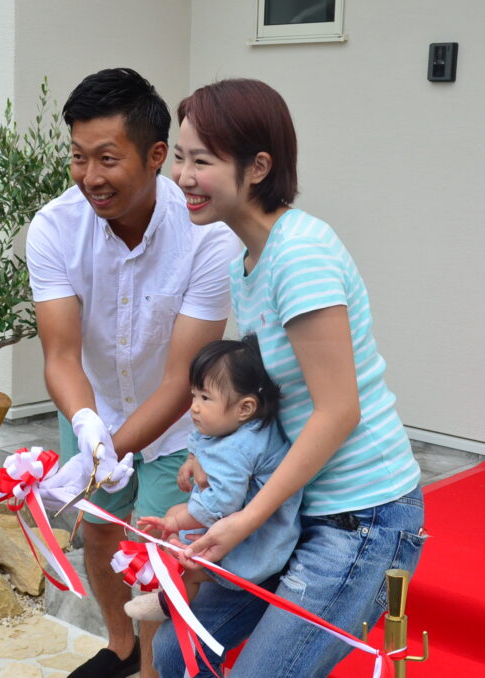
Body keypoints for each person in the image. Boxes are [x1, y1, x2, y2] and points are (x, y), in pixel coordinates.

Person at [152, 78, 426, 678]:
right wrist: (211, 463)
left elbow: (338, 411)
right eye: (179, 156)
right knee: (178, 652)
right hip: (289, 509)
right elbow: (256, 403)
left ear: (258, 167)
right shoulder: (243, 262)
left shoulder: (299, 255)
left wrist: (245, 519)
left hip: (361, 517)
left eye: (202, 160)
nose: (182, 176)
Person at [27, 67, 240, 678]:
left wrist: (111, 447)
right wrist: (91, 429)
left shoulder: (207, 236)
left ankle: (157, 669)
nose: (90, 177)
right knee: (98, 534)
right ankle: (121, 649)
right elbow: (61, 356)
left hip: (179, 420)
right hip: (93, 407)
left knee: (162, 548)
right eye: (78, 157)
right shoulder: (54, 228)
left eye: (107, 159)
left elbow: (181, 380)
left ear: (154, 157)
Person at [126, 335, 299, 622]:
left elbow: (220, 504)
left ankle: (171, 602)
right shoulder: (237, 424)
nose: (194, 406)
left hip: (257, 538)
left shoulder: (238, 448)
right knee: (175, 526)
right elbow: (200, 438)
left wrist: (176, 521)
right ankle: (172, 582)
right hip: (248, 517)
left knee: (185, 549)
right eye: (194, 395)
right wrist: (192, 460)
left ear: (245, 408)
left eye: (205, 397)